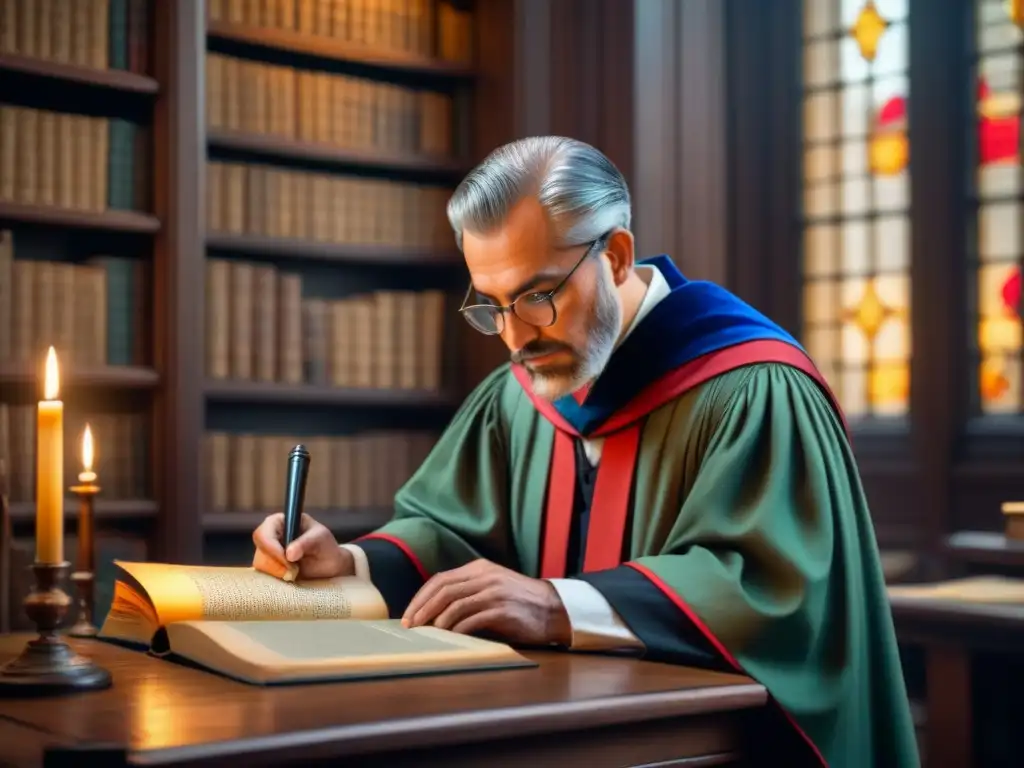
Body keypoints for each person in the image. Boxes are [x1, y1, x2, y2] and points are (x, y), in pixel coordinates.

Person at [252, 137, 920, 767]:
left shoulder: (754, 388)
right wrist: (352, 563)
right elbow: (450, 529)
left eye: (539, 295)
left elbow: (772, 592)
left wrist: (555, 605)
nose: (515, 337)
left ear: (619, 255)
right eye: (491, 305)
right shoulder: (518, 396)